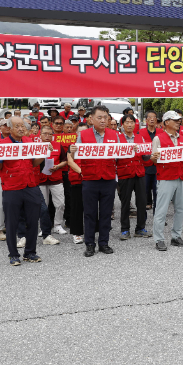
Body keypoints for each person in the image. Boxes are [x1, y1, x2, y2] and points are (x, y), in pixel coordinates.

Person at [0, 117, 46, 265]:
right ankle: (13, 254)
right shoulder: (2, 144)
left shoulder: (29, 142)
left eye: (23, 126)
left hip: (30, 184)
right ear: (9, 128)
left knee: (33, 220)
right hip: (12, 186)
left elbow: (35, 163)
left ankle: (30, 252)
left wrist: (43, 153)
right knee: (12, 222)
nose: (21, 129)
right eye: (17, 126)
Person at [68, 105, 119, 257]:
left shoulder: (114, 134)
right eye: (100, 117)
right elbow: (75, 156)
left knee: (105, 213)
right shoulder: (83, 135)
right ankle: (89, 244)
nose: (103, 120)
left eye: (106, 117)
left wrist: (131, 149)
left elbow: (119, 155)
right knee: (89, 213)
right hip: (89, 179)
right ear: (91, 119)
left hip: (108, 179)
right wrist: (73, 152)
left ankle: (104, 243)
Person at [149, 111, 183, 251]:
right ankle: (159, 239)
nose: (179, 122)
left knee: (180, 208)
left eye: (179, 120)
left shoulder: (182, 138)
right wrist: (155, 157)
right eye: (175, 120)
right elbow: (153, 159)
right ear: (166, 122)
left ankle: (176, 236)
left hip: (180, 176)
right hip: (166, 177)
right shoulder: (158, 139)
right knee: (161, 210)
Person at [116, 114, 151, 240]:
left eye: (132, 122)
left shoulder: (140, 137)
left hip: (139, 173)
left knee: (142, 201)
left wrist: (146, 152)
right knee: (125, 202)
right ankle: (125, 230)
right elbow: (114, 157)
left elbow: (146, 157)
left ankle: (140, 228)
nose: (130, 124)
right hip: (125, 173)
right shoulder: (118, 139)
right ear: (122, 125)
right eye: (127, 122)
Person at [38, 125, 68, 235]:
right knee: (42, 205)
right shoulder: (36, 146)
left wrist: (58, 166)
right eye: (45, 133)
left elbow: (65, 160)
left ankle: (57, 225)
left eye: (50, 134)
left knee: (60, 204)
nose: (47, 136)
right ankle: (44, 227)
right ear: (40, 135)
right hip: (41, 179)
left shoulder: (58, 145)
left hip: (56, 178)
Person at [138, 110, 163, 212]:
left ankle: (158, 216)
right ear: (146, 120)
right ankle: (142, 218)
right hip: (145, 167)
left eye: (154, 117)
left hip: (158, 167)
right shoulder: (140, 133)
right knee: (144, 192)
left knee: (158, 193)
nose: (152, 119)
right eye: (150, 117)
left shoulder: (161, 133)